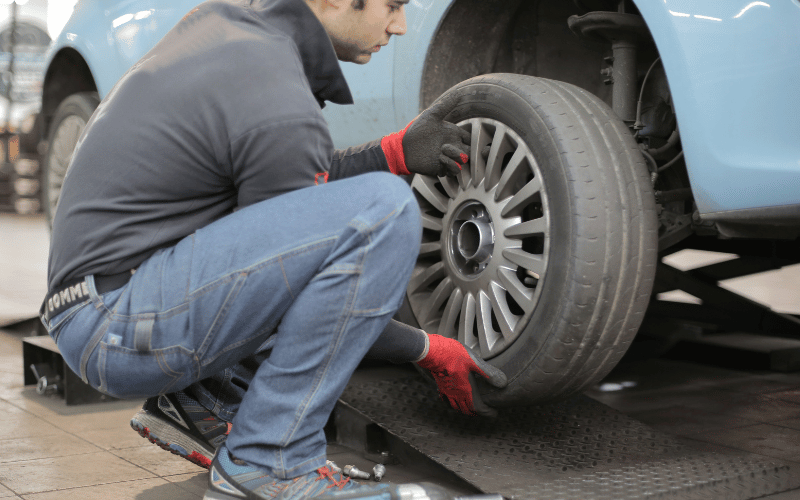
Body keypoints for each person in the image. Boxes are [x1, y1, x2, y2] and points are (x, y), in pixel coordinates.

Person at [40, 0, 506, 498]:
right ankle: (272, 460)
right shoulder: (273, 86)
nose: (400, 25)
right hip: (117, 322)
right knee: (383, 212)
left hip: (100, 307)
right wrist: (426, 348)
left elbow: (289, 201)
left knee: (351, 211)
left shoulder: (243, 40)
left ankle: (209, 398)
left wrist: (392, 153)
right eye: (391, 5)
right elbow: (299, 275)